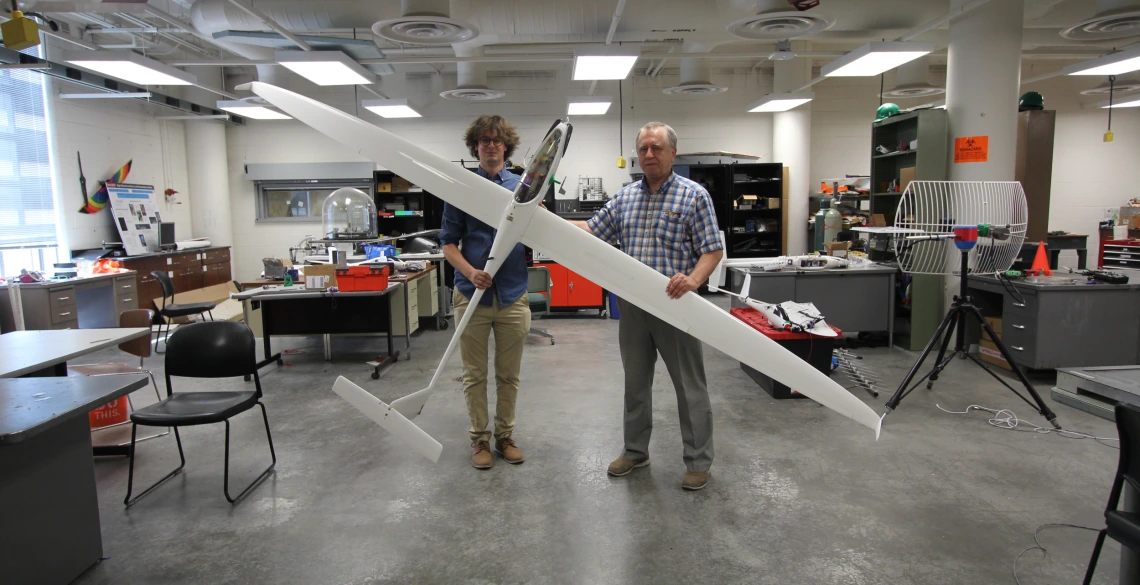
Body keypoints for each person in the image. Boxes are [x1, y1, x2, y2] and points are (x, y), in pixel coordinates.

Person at [571, 122, 724, 491]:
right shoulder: (625, 197)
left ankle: (698, 461)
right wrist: (544, 220)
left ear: (672, 152)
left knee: (690, 387)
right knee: (635, 383)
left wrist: (694, 279)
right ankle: (635, 451)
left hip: (677, 305)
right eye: (643, 149)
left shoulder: (694, 195)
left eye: (656, 148)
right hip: (634, 306)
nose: (649, 155)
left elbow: (711, 249)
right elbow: (591, 232)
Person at [438, 115, 531, 470]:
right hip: (470, 295)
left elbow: (536, 232)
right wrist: (470, 272)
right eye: (484, 140)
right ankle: (480, 438)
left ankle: (505, 437)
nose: (491, 145)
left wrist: (539, 215)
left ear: (506, 146)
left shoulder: (524, 187)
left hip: (512, 295)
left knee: (509, 374)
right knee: (474, 374)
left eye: (497, 140)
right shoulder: (461, 187)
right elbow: (447, 242)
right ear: (475, 146)